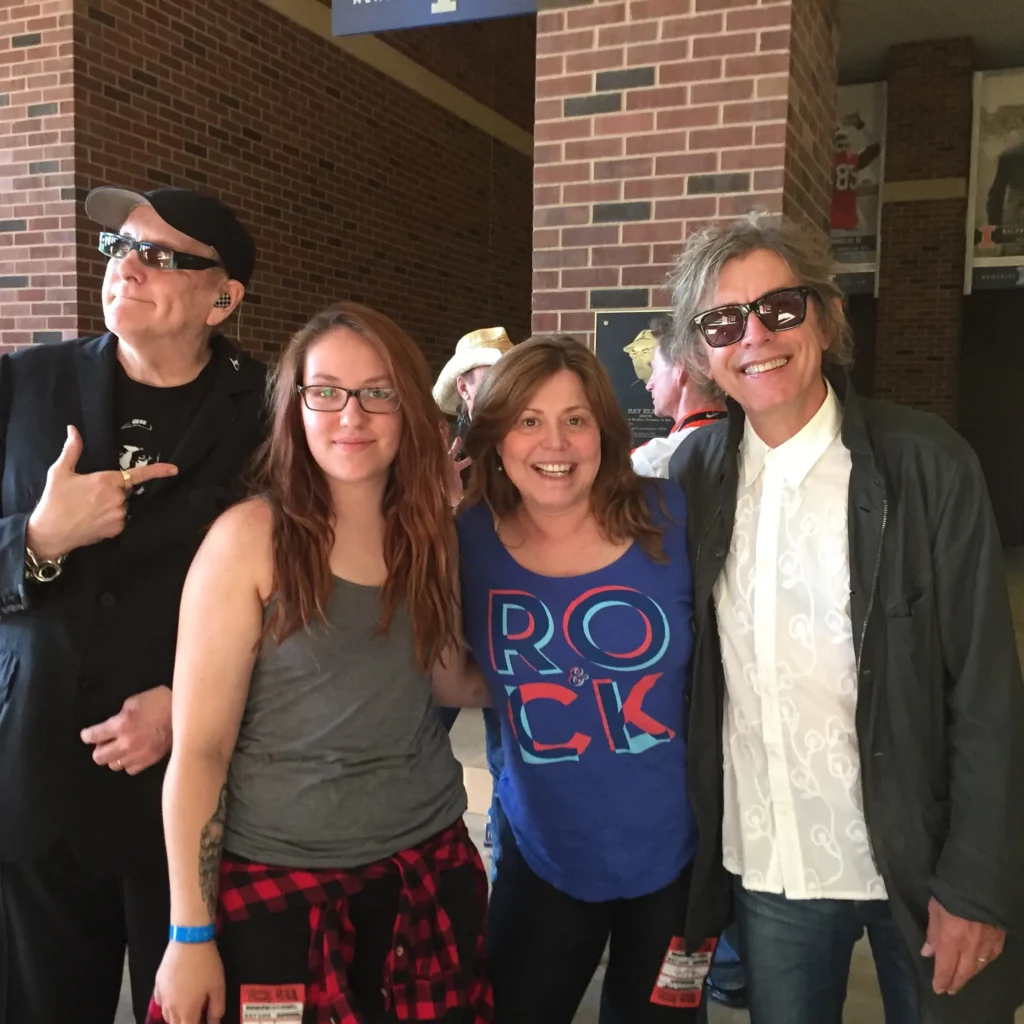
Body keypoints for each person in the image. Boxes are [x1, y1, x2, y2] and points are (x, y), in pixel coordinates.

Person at [668, 213, 1024, 1024]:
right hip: (775, 861)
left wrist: (978, 882)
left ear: (826, 318)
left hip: (922, 860)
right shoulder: (692, 478)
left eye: (779, 308)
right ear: (701, 355)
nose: (754, 336)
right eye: (723, 322)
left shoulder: (927, 465)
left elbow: (986, 690)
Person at [149, 303, 493, 1024]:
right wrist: (189, 933)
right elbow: (201, 751)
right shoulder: (250, 539)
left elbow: (447, 678)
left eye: (377, 392)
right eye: (326, 391)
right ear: (295, 407)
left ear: (407, 407)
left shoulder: (427, 533)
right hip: (280, 885)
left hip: (426, 870)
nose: (352, 415)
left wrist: (566, 674)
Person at [0, 185, 265, 1024]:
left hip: (191, 797)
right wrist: (38, 537)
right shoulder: (24, 384)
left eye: (160, 255)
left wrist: (187, 704)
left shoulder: (271, 411)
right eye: (119, 247)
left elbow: (306, 593)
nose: (127, 267)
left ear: (222, 299)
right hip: (37, 778)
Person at [458, 334, 706, 1024]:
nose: (555, 443)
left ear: (605, 430)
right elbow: (453, 679)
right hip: (543, 850)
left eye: (576, 419)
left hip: (675, 854)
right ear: (496, 436)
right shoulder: (465, 538)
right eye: (528, 420)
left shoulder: (672, 516)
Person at [626, 318, 741, 1011]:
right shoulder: (743, 448)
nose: (647, 383)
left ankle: (719, 955)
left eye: (655, 370)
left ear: (684, 373)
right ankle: (730, 959)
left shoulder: (659, 461)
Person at [433, 325, 514, 859]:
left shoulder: (520, 441)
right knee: (419, 732)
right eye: (493, 374)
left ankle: (503, 849)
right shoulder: (440, 449)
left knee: (507, 749)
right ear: (464, 386)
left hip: (504, 615)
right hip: (445, 616)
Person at [630, 316, 727, 480]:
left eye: (654, 368)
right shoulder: (755, 445)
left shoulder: (650, 462)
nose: (649, 384)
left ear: (679, 369)